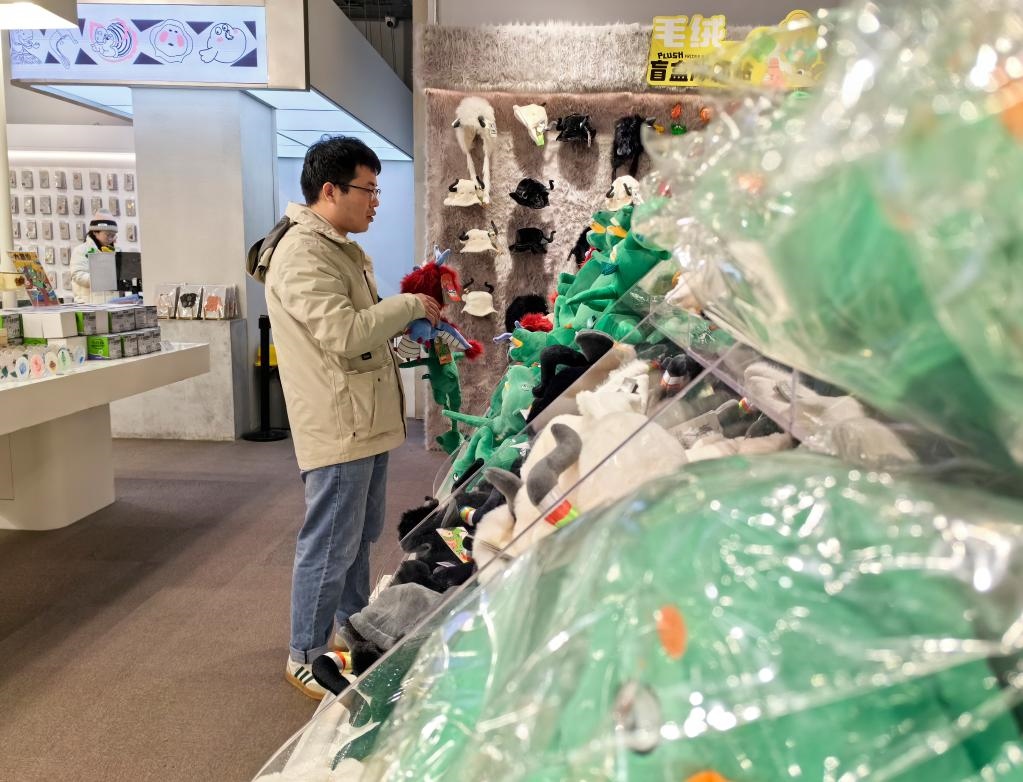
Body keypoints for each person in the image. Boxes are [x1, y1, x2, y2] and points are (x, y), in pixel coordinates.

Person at [258, 136, 441, 699]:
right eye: (369, 190)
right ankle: (304, 654)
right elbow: (343, 333)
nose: (375, 202)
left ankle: (353, 629)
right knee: (331, 541)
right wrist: (409, 305)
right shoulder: (303, 252)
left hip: (362, 417)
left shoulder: (335, 247)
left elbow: (358, 329)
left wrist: (402, 328)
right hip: (338, 422)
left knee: (358, 536)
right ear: (331, 190)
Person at [70, 214, 118, 304]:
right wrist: (101, 279)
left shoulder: (116, 251)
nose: (110, 239)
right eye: (108, 235)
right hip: (88, 304)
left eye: (113, 235)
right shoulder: (81, 250)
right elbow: (78, 275)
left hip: (112, 304)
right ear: (95, 232)